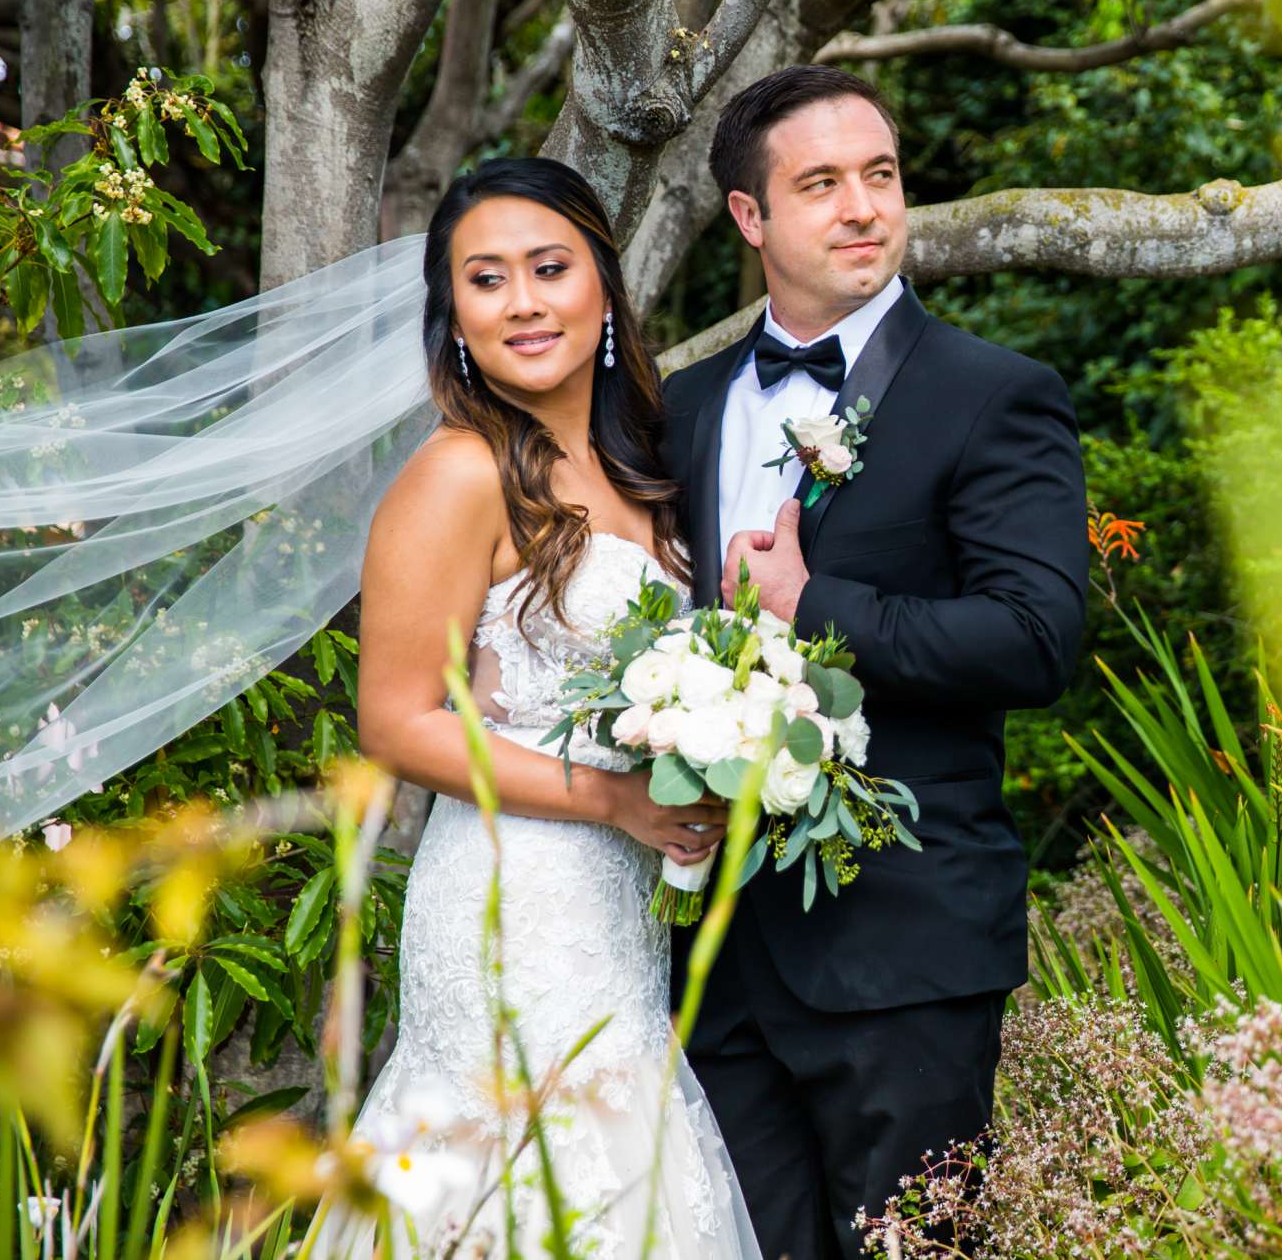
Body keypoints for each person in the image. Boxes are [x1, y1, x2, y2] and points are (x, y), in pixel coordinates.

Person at [662, 65, 1090, 1260]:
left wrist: (817, 607)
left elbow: (1038, 636)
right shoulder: (682, 409)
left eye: (881, 176)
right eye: (821, 184)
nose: (863, 207)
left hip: (902, 951)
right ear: (749, 219)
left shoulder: (992, 396)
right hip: (710, 957)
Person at [329, 158, 761, 1257]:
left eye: (549, 268)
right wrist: (613, 799)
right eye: (486, 279)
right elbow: (395, 721)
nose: (523, 302)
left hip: (618, 921)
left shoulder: (643, 464)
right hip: (508, 898)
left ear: (604, 289)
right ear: (455, 316)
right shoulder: (458, 475)